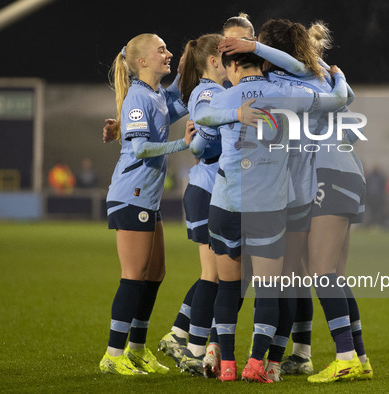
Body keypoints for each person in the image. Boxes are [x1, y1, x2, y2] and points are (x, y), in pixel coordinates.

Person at [195, 45, 349, 383]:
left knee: (228, 288)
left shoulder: (223, 97)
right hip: (268, 207)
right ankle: (256, 364)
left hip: (225, 205)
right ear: (263, 63)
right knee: (269, 288)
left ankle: (228, 366)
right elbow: (338, 100)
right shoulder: (286, 93)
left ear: (230, 65)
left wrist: (234, 115)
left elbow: (201, 120)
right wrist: (338, 77)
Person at [156, 33, 261, 377]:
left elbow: (202, 141)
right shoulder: (210, 91)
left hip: (216, 192)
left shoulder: (215, 90)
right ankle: (193, 345)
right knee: (215, 276)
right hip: (209, 192)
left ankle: (199, 346)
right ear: (217, 60)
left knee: (221, 276)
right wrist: (224, 124)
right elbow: (203, 140)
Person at [99, 33, 196, 375]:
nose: (167, 54)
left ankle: (137, 349)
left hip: (146, 197)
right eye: (162, 50)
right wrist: (180, 145)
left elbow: (183, 95)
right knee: (133, 276)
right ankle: (113, 355)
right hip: (131, 194)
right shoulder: (138, 98)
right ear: (142, 62)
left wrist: (192, 60)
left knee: (154, 273)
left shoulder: (155, 94)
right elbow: (140, 149)